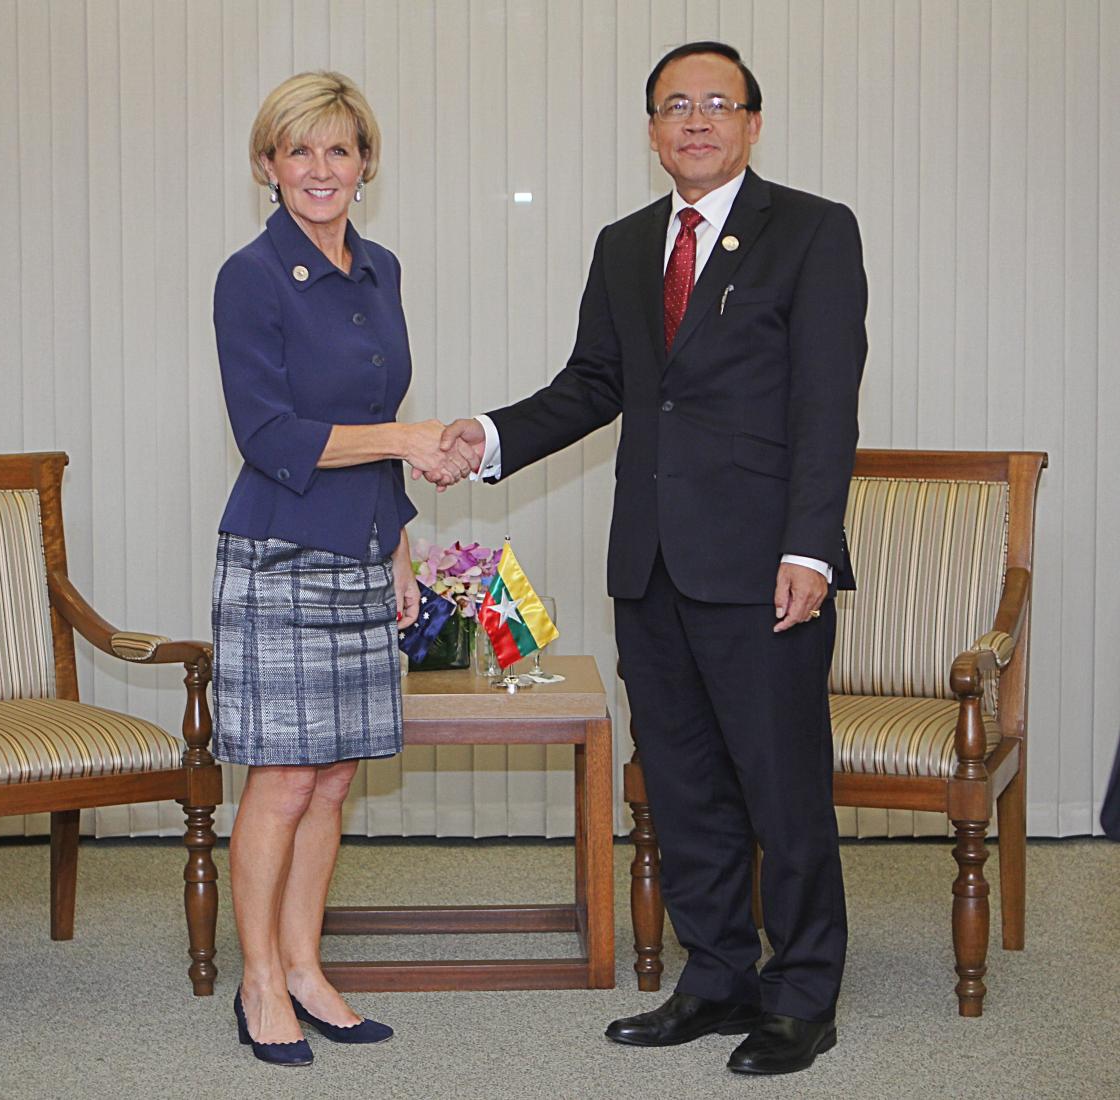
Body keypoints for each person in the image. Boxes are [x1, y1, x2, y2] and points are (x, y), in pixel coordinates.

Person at [440, 42, 866, 1076]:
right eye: (675, 105)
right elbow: (594, 383)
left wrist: (811, 545)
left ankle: (804, 992)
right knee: (682, 788)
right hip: (652, 566)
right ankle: (717, 975)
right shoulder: (626, 244)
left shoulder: (811, 230)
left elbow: (824, 402)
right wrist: (487, 438)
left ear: (753, 123)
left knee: (783, 787)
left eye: (717, 103)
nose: (696, 119)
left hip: (766, 566)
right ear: (651, 129)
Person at [211, 70, 474, 1067]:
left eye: (339, 149)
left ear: (366, 163)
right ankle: (260, 978)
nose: (320, 169)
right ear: (266, 165)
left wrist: (400, 535)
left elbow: (371, 428)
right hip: (278, 550)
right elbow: (271, 433)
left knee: (334, 778)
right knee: (282, 777)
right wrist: (409, 437)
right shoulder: (252, 275)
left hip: (364, 547)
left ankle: (309, 964)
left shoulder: (382, 269)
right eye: (299, 150)